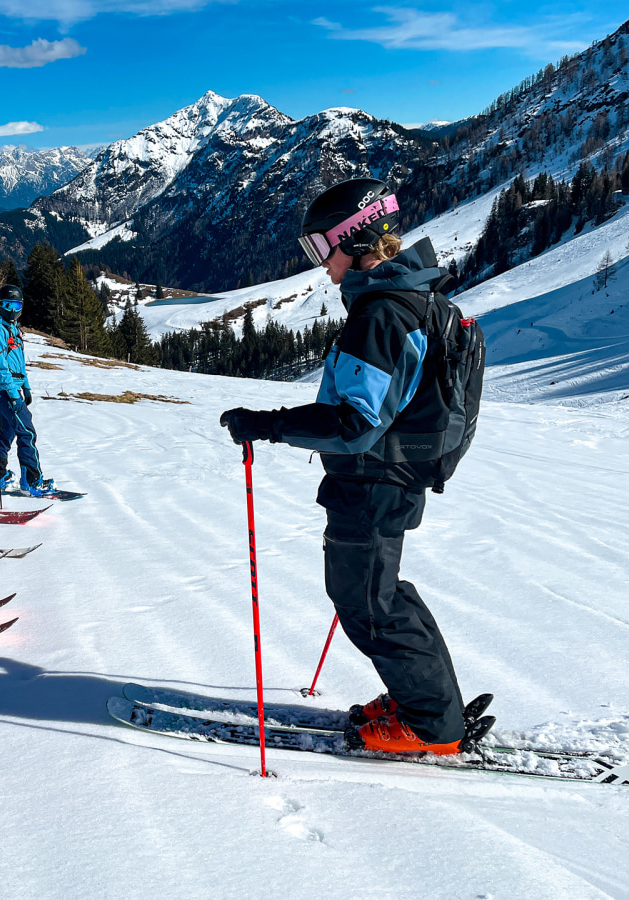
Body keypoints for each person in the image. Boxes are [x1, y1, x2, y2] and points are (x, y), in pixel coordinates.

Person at [220, 178, 470, 755]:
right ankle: (426, 704)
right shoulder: (408, 298)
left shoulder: (381, 313)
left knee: (369, 606)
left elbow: (356, 423)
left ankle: (432, 726)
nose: (320, 263)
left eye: (319, 247)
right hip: (388, 478)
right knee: (381, 596)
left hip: (374, 482)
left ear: (354, 240)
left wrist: (268, 424)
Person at [0, 285, 53, 497]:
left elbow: (19, 362)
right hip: (4, 389)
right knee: (26, 432)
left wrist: (26, 386)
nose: (12, 310)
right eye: (7, 305)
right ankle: (31, 481)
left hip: (11, 388)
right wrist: (14, 394)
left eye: (16, 305)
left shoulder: (12, 329)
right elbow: (0, 366)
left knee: (8, 430)